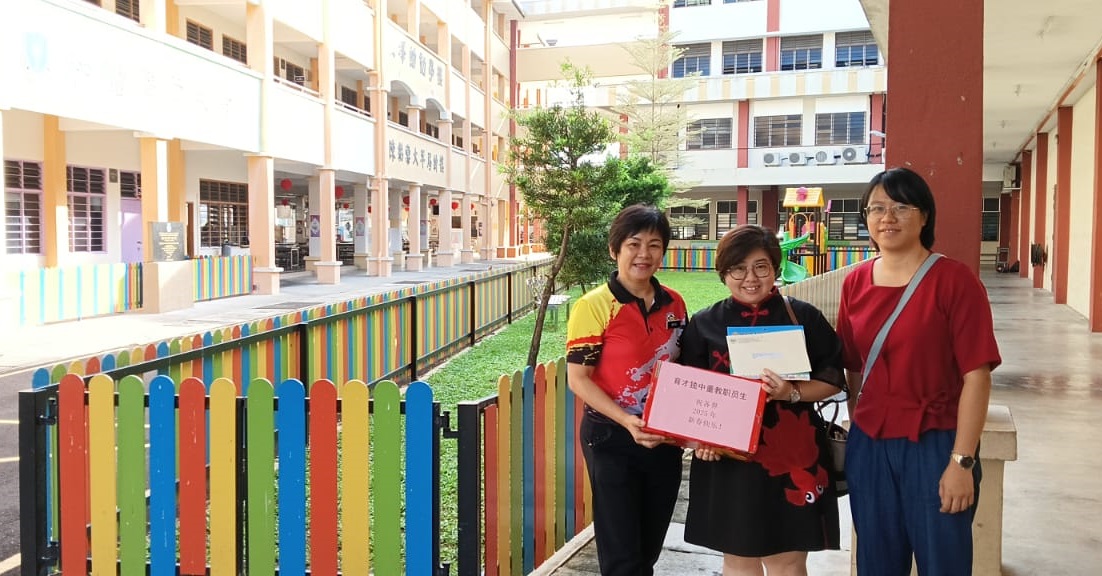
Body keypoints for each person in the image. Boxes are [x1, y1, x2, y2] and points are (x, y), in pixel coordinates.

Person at [835, 167, 1001, 575]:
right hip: (871, 444)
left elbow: (977, 376)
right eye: (876, 208)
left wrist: (961, 461)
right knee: (876, 561)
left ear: (924, 216)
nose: (887, 217)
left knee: (943, 561)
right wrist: (860, 423)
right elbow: (852, 366)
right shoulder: (855, 282)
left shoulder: (954, 281)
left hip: (936, 443)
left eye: (901, 207)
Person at [678, 224, 845, 576]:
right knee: (739, 561)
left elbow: (832, 381)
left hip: (793, 455)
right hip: (730, 461)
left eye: (761, 267)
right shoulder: (704, 323)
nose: (750, 278)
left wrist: (791, 392)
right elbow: (689, 397)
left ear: (775, 268)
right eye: (738, 268)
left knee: (788, 563)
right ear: (723, 273)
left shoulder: (804, 316)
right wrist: (700, 440)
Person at [565, 204, 689, 576]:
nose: (644, 254)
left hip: (663, 438)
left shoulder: (675, 303)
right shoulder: (593, 306)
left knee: (648, 547)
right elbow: (579, 379)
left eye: (654, 245)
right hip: (611, 438)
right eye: (634, 244)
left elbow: (683, 368)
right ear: (614, 249)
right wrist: (626, 421)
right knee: (622, 555)